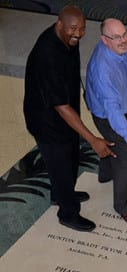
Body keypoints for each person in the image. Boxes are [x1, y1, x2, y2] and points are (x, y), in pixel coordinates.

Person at [23, 5, 116, 232]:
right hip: (46, 120)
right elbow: (60, 106)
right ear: (59, 24)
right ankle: (67, 212)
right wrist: (93, 139)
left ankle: (61, 194)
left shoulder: (69, 39)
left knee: (71, 156)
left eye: (82, 29)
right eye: (73, 29)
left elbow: (71, 75)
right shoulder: (48, 54)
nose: (77, 34)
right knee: (61, 164)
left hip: (64, 112)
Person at [85, 18, 127, 225]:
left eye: (125, 34)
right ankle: (123, 206)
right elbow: (113, 113)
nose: (123, 40)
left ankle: (105, 174)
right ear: (104, 40)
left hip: (123, 108)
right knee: (125, 158)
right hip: (109, 116)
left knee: (113, 144)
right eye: (117, 37)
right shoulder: (102, 70)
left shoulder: (117, 44)